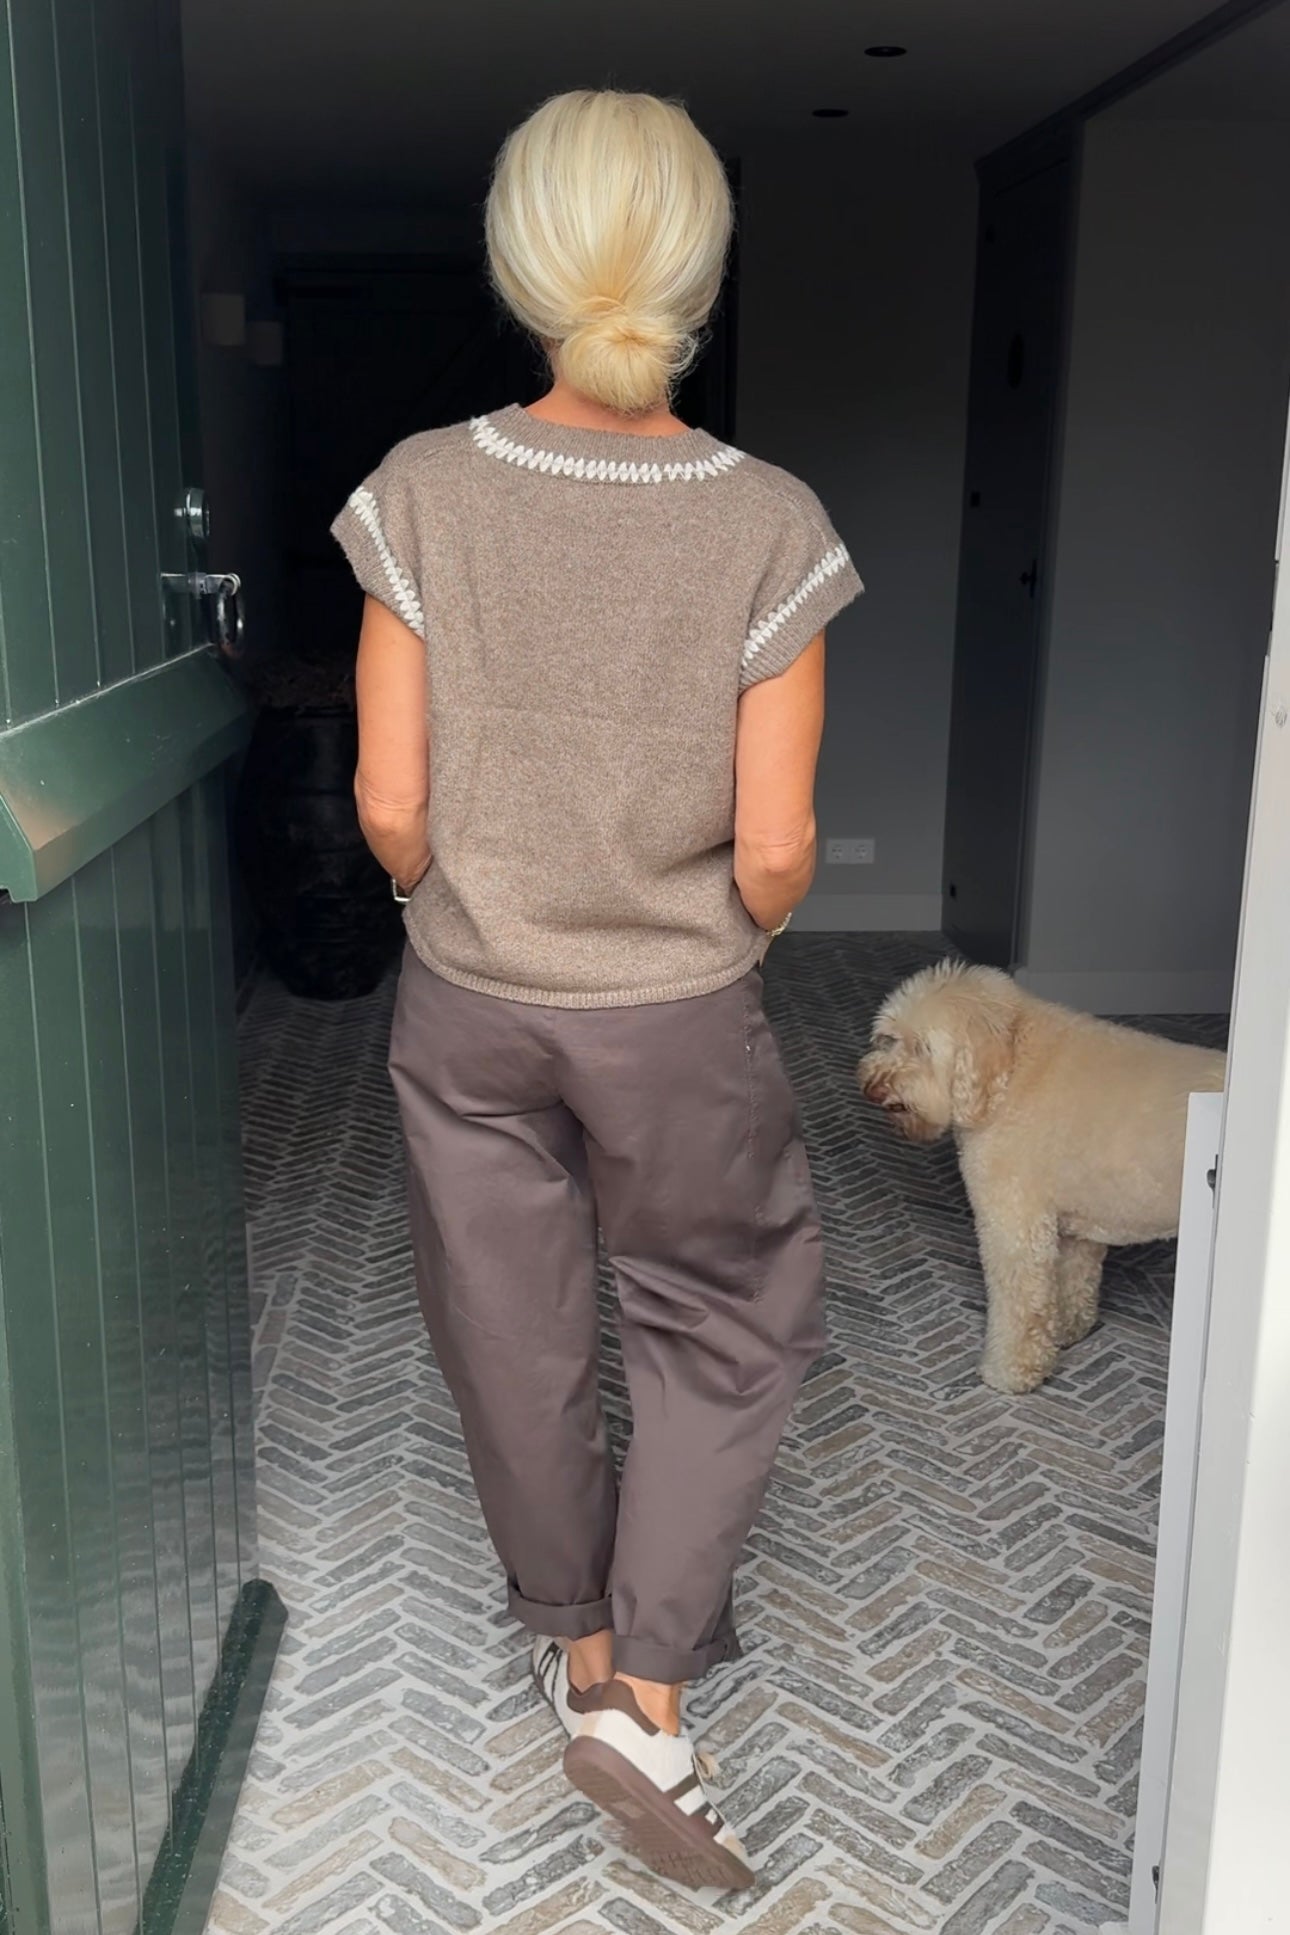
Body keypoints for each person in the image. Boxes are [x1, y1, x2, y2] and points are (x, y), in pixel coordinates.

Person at [332, 88, 862, 1891]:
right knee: (724, 1313)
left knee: (509, 1314)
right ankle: (646, 1696)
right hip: (674, 1011)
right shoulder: (768, 522)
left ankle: (574, 1645)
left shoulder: (418, 489)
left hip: (466, 994)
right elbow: (775, 847)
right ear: (701, 266)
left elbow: (387, 803)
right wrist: (731, 935)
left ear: (520, 262)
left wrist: (447, 906)